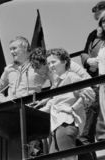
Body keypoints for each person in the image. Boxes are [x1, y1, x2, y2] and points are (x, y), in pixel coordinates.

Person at [40, 48, 95, 160]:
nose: (50, 66)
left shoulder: (71, 76)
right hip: (57, 127)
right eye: (49, 63)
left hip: (65, 124)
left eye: (53, 62)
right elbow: (51, 106)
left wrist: (72, 108)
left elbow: (90, 93)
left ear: (64, 62)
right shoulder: (57, 83)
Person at [80, 1, 105, 159]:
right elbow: (83, 53)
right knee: (92, 122)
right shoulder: (93, 35)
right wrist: (89, 61)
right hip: (96, 82)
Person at [0, 36, 46, 103]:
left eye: (14, 48)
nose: (11, 52)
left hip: (31, 108)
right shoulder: (8, 68)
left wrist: (46, 100)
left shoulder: (37, 65)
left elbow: (55, 82)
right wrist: (4, 101)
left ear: (25, 47)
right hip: (11, 109)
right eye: (10, 49)